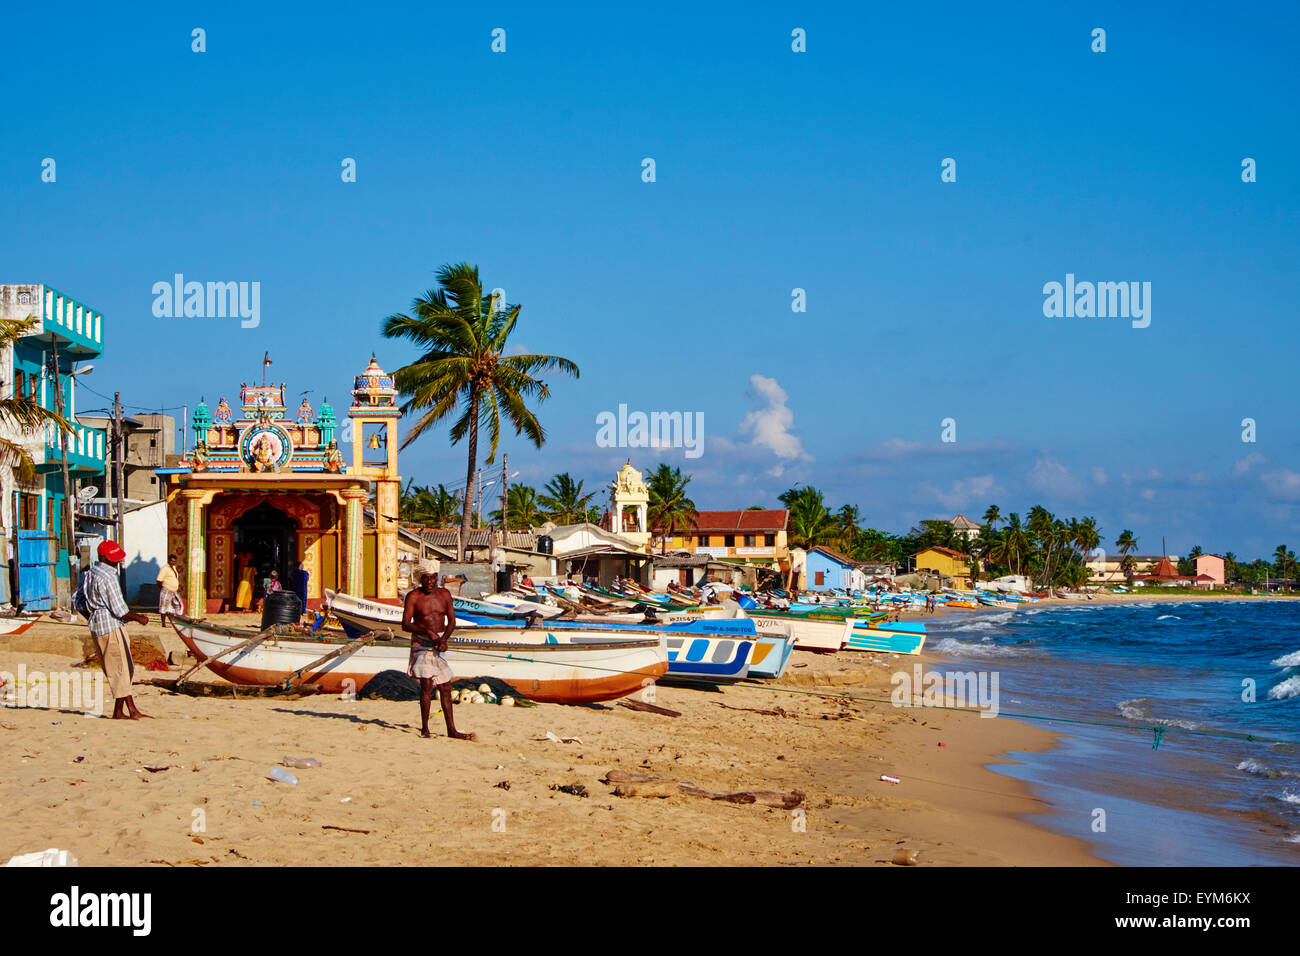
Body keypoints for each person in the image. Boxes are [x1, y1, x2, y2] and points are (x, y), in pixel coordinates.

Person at [78, 540, 151, 719]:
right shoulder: (108, 576)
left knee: (120, 668)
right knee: (120, 669)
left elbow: (78, 600)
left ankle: (131, 709)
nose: (116, 562)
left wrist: (92, 617)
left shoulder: (90, 573)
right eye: (113, 559)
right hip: (111, 627)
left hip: (98, 626)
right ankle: (120, 712)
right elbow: (120, 610)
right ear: (104, 558)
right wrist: (139, 618)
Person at [401, 566, 473, 741]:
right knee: (426, 685)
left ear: (436, 578)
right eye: (425, 579)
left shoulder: (444, 595)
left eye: (432, 578)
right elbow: (406, 624)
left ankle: (451, 730)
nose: (429, 582)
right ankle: (425, 729)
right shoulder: (413, 597)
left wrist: (444, 639)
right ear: (420, 579)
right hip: (421, 642)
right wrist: (427, 632)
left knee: (445, 686)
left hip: (439, 643)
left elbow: (452, 621)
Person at [156, 553, 184, 626]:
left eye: (174, 561)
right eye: (171, 561)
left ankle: (176, 621)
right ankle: (163, 623)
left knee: (178, 604)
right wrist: (162, 589)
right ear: (168, 561)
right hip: (166, 589)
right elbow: (159, 580)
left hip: (173, 590)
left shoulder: (174, 568)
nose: (173, 562)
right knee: (163, 606)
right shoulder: (164, 568)